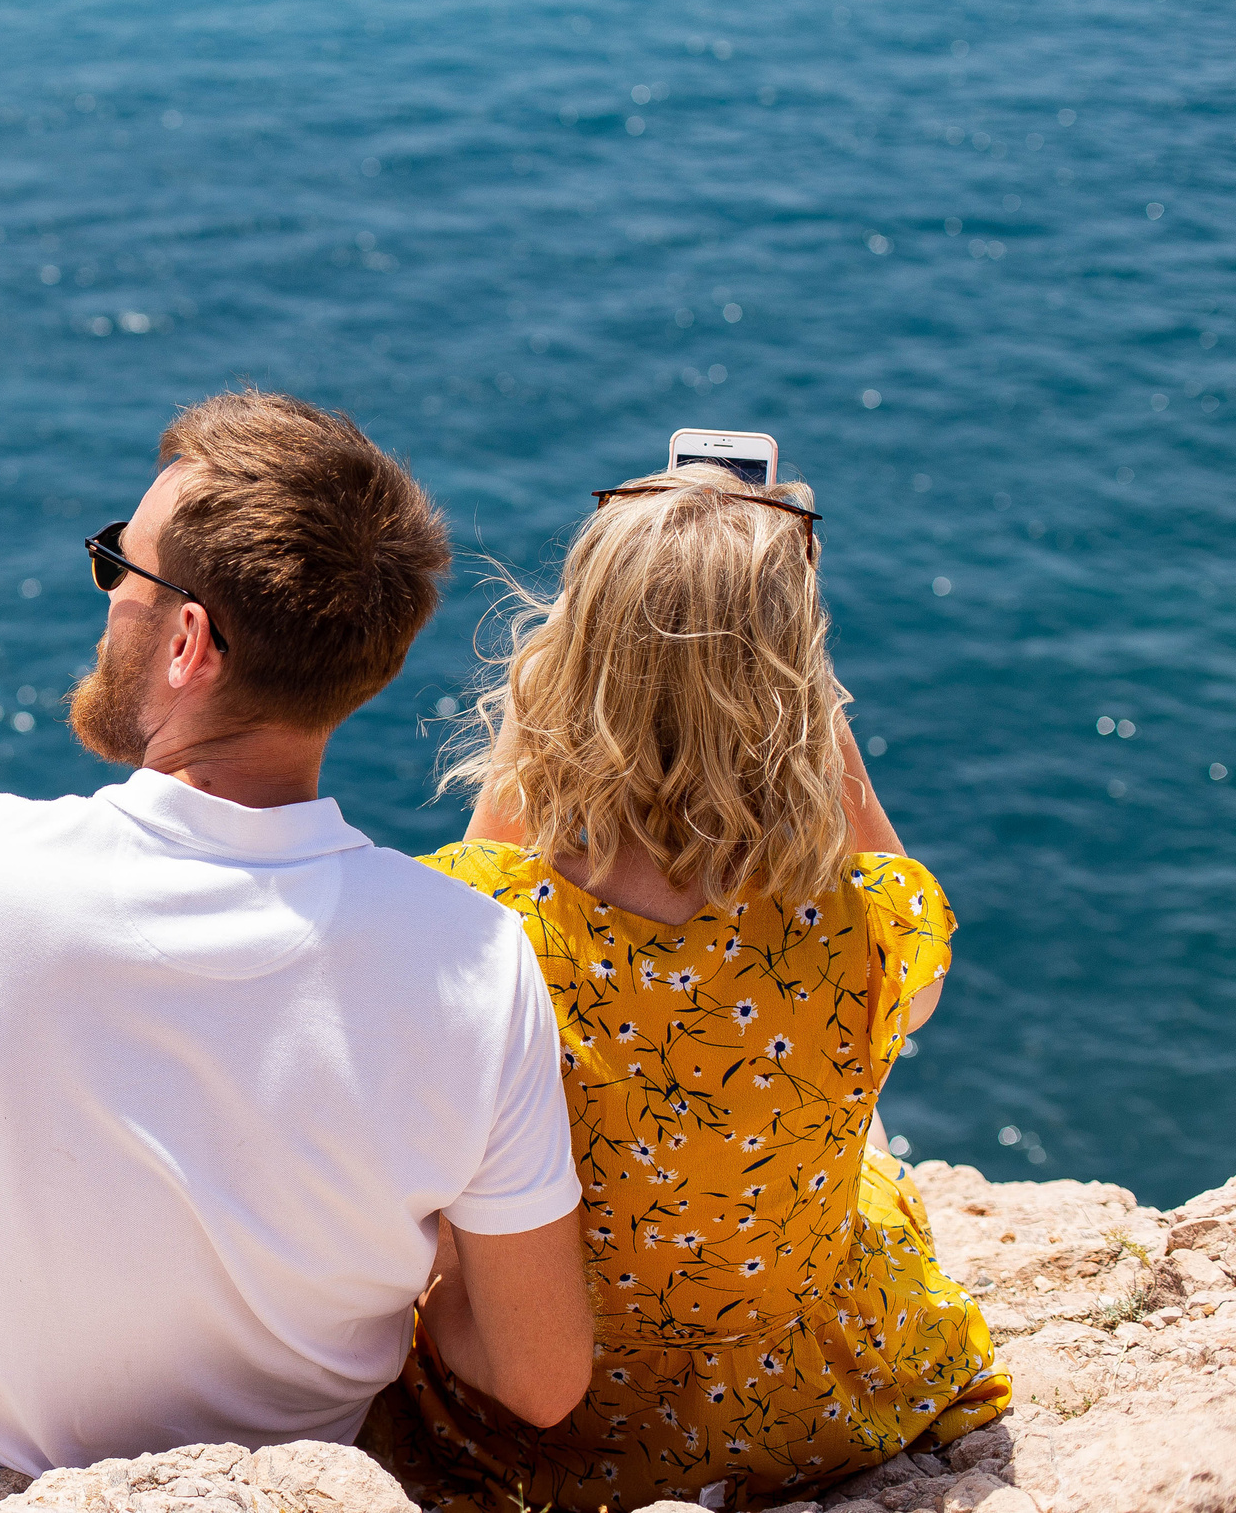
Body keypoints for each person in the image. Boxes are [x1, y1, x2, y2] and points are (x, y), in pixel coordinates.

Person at [0, 391, 593, 1478]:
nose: (109, 587)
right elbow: (537, 1380)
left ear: (188, 642)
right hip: (305, 1459)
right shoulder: (475, 960)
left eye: (122, 563)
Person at [361, 464, 1010, 1512]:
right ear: (794, 680)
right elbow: (911, 939)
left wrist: (549, 713)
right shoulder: (870, 928)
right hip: (813, 1409)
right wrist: (817, 709)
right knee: (866, 1109)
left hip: (549, 1429)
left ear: (570, 657)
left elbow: (466, 928)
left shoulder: (482, 921)